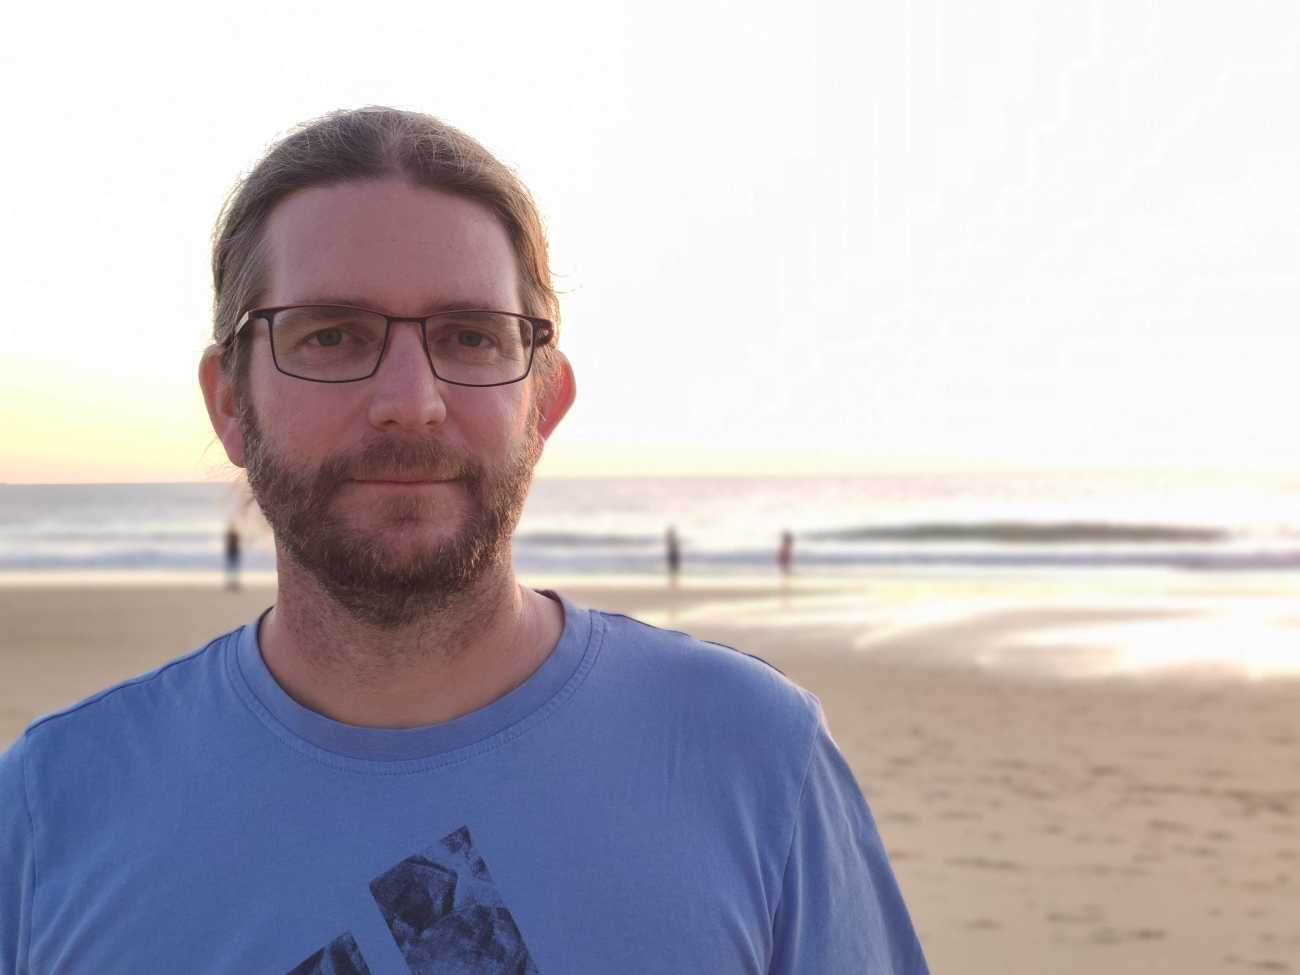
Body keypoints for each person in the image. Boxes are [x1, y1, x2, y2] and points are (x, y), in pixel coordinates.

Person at [0, 108, 927, 974]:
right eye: (331, 334)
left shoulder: (754, 754)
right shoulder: (53, 808)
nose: (411, 400)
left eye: (471, 337)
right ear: (231, 403)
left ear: (544, 400)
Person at [224, 521, 242, 590]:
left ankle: (234, 583)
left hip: (234, 552)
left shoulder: (235, 535)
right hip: (231, 553)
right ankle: (230, 583)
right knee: (230, 569)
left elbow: (236, 544)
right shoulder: (230, 535)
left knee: (234, 569)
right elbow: (229, 545)